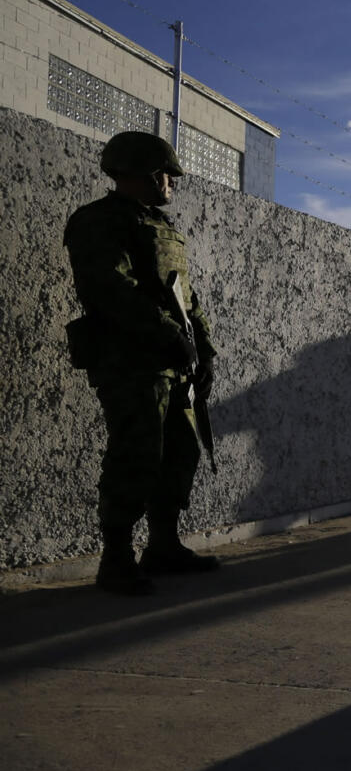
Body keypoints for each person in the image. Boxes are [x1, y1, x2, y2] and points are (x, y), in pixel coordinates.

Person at [64, 131, 221, 596]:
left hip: (173, 361)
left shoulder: (162, 226)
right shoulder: (99, 222)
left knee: (179, 452)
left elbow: (184, 295)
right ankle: (116, 559)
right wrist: (168, 334)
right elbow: (109, 290)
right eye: (164, 174)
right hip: (131, 360)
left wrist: (202, 345)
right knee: (137, 454)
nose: (171, 183)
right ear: (140, 174)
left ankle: (164, 545)